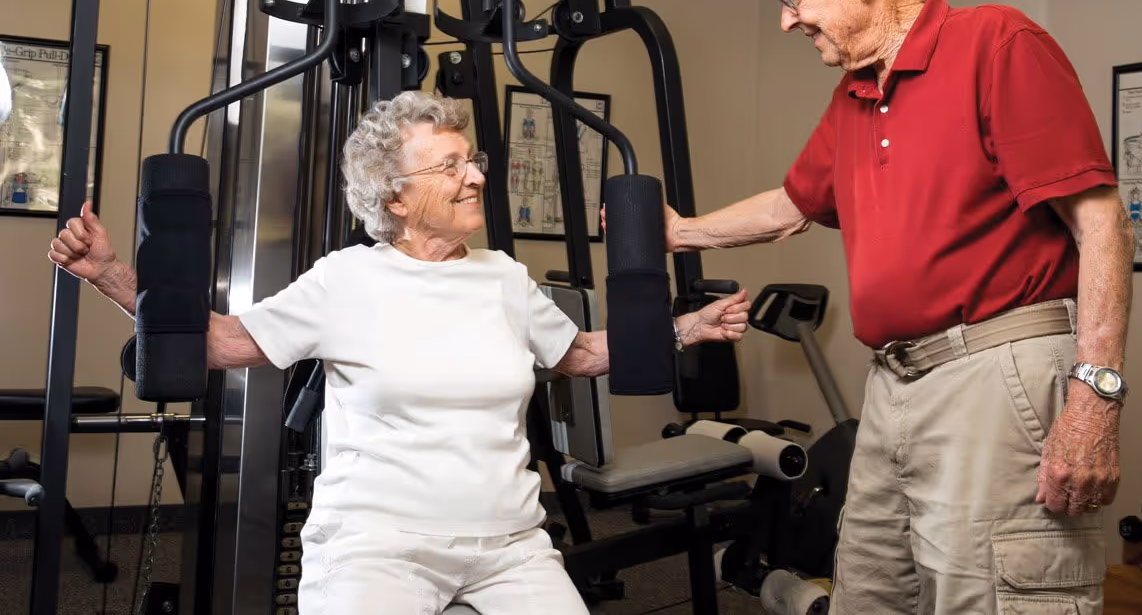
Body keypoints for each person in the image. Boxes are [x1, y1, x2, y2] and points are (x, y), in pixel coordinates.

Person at [48, 91, 752, 615]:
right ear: (397, 195)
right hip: (377, 545)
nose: (474, 175)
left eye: (470, 160)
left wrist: (687, 327)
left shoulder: (502, 276)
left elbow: (578, 354)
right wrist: (110, 273)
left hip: (508, 542)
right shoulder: (345, 279)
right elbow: (218, 341)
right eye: (450, 166)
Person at [632, 0, 1135, 614]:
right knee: (869, 592)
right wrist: (681, 231)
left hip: (996, 371)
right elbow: (790, 206)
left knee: (991, 595)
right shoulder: (856, 93)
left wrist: (1095, 396)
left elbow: (1102, 225)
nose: (785, 19)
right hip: (896, 383)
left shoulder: (996, 44)